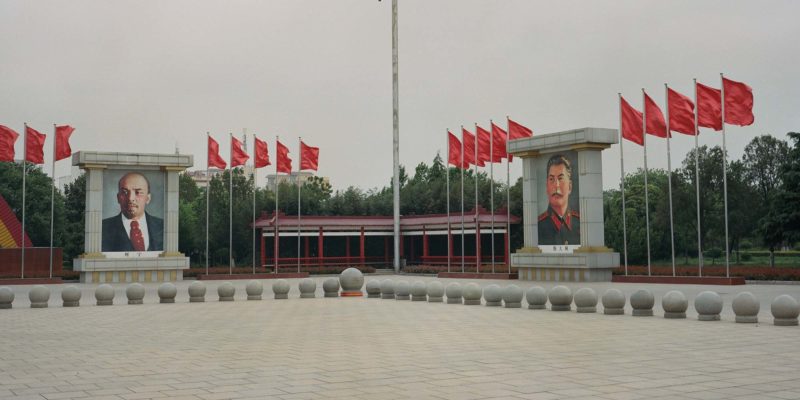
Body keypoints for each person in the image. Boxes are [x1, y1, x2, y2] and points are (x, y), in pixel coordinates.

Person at [102, 172, 163, 252]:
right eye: (124, 192)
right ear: (118, 198)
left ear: (148, 198)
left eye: (138, 192)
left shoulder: (163, 227)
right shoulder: (102, 229)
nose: (130, 198)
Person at [538, 154, 580, 245]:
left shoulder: (581, 223)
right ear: (546, 187)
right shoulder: (538, 226)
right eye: (551, 179)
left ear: (570, 186)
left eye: (560, 178)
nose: (556, 185)